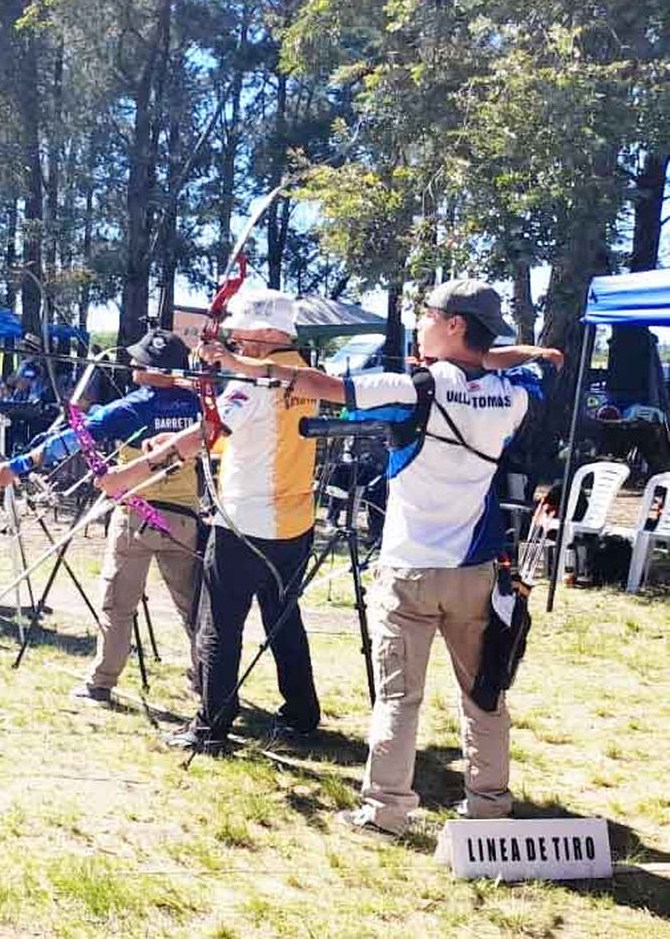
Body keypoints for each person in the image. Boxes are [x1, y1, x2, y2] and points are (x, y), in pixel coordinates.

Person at [187, 279, 559, 834]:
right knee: (484, 694)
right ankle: (489, 806)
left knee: (399, 698)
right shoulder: (516, 390)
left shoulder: (413, 386)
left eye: (429, 314)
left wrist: (239, 363)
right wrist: (510, 352)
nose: (421, 321)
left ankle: (386, 810)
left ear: (454, 324)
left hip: (410, 570)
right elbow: (546, 361)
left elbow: (319, 383)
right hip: (475, 572)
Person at [99, 289, 322, 756]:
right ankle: (302, 715)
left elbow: (207, 432)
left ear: (264, 333)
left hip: (245, 523)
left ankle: (211, 728)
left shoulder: (251, 383)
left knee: (218, 623)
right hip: (295, 521)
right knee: (283, 617)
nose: (234, 339)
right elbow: (245, 435)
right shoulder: (304, 374)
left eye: (240, 331)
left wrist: (128, 473)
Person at [0, 328, 202, 705]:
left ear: (158, 370)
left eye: (144, 360)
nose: (135, 363)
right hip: (183, 520)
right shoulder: (197, 405)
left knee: (117, 606)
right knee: (194, 607)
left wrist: (17, 465)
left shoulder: (132, 406)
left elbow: (71, 439)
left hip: (137, 518)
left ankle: (101, 684)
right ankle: (207, 678)